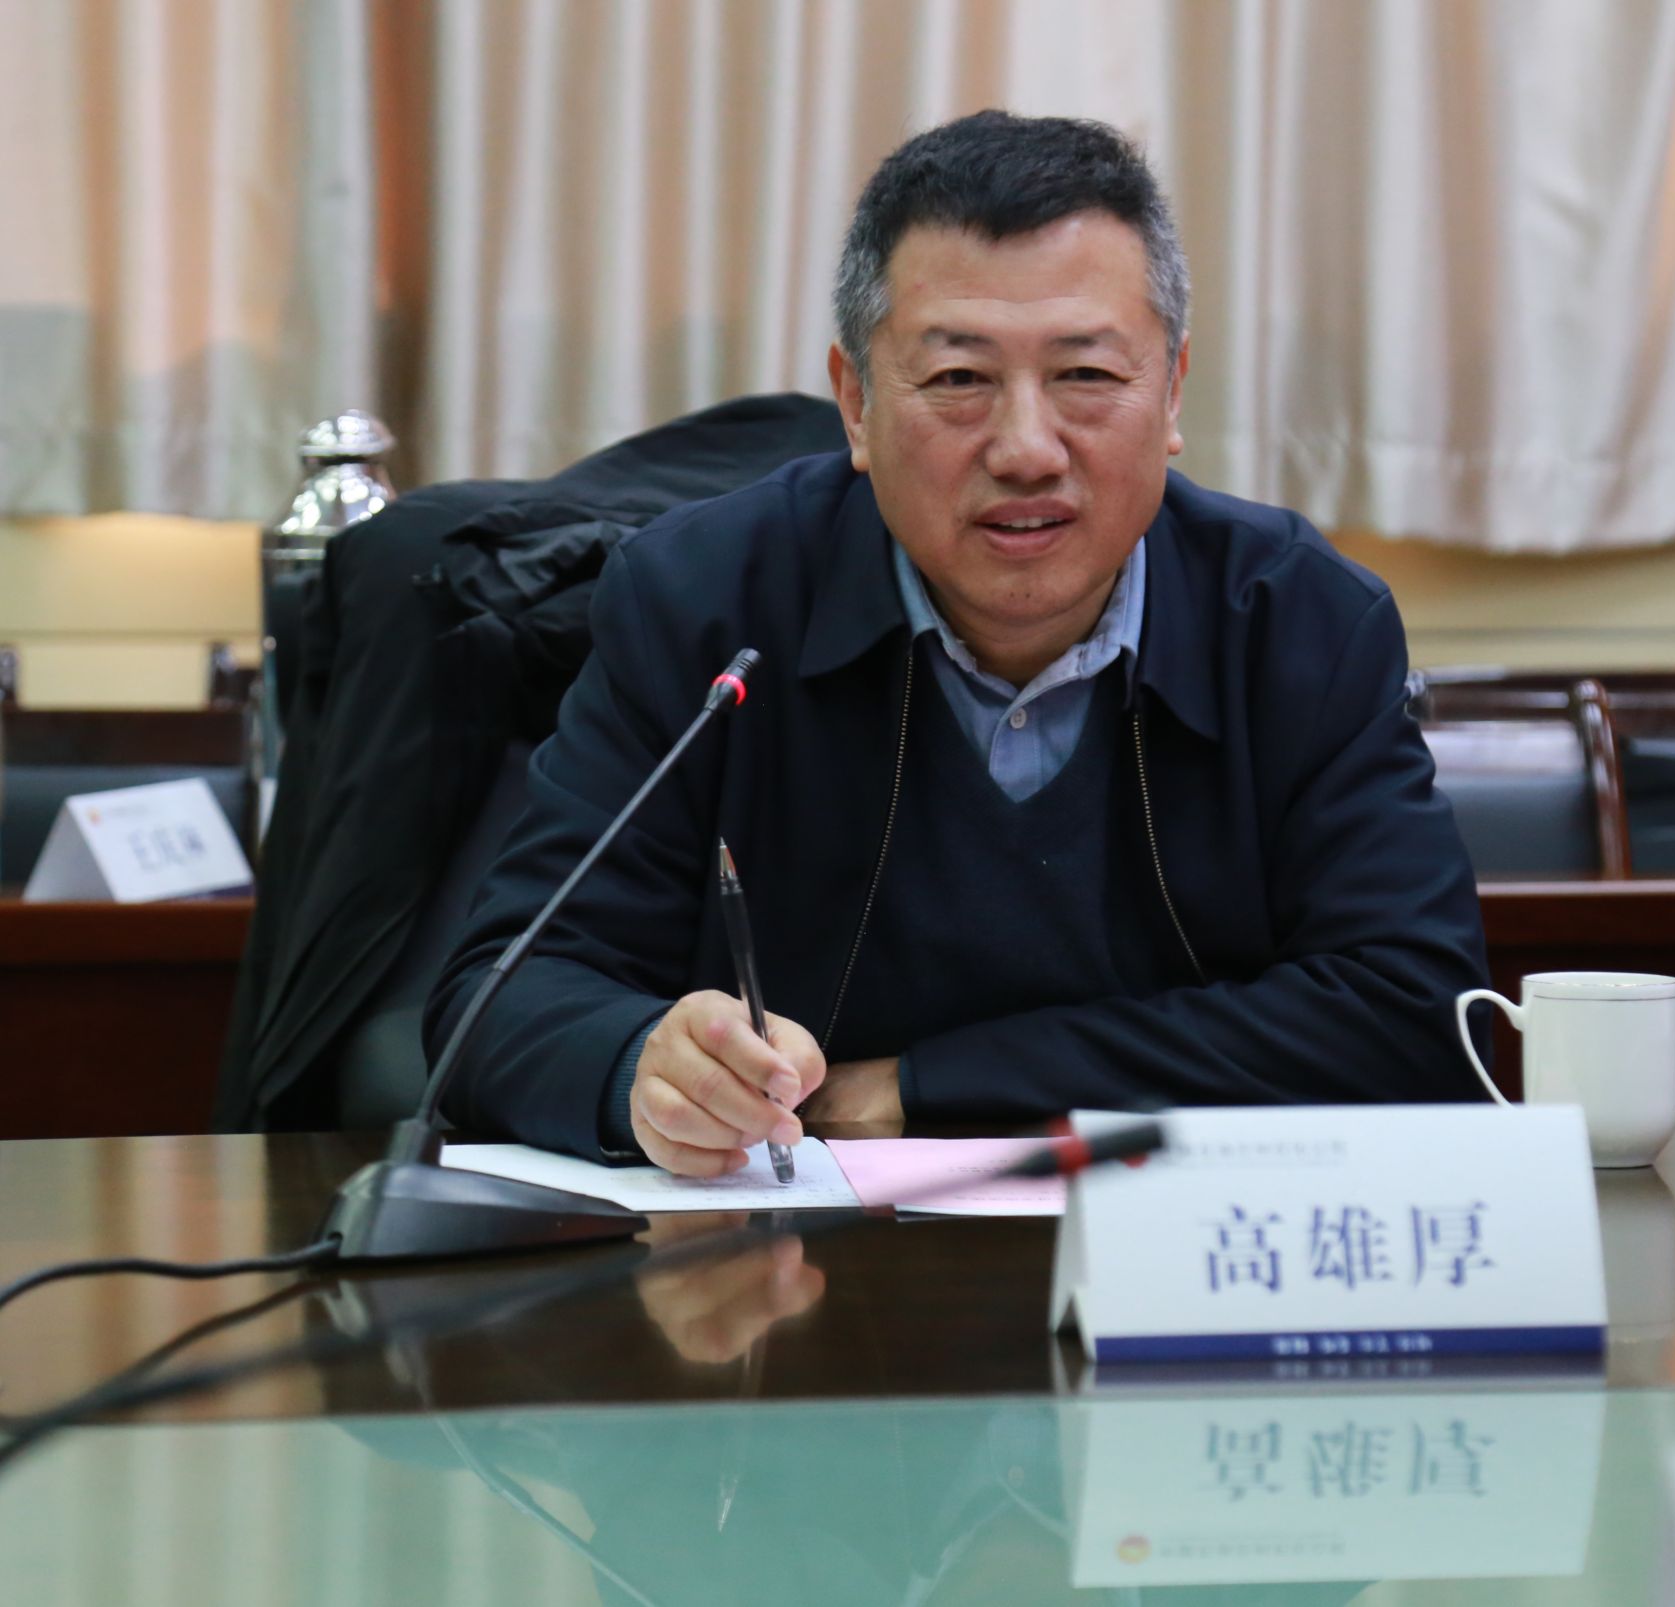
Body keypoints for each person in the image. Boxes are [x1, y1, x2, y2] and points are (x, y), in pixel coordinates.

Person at [427, 110, 1489, 1175]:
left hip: (1177, 1253)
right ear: (855, 404)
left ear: (1169, 392)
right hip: (794, 1258)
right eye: (957, 380)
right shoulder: (703, 605)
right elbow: (499, 997)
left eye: (1085, 375)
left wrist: (919, 1087)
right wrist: (640, 1067)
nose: (1026, 449)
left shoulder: (1296, 621)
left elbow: (1414, 1014)